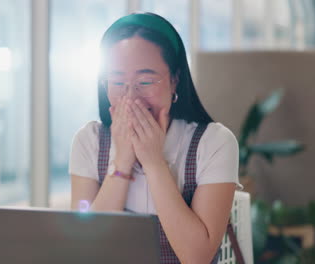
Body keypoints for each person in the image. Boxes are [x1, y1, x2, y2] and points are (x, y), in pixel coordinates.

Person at [69, 12, 242, 263]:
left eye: (145, 80)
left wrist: (153, 162)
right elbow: (84, 250)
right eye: (117, 81)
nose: (131, 97)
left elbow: (197, 257)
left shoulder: (213, 142)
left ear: (175, 80)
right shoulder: (89, 140)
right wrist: (122, 163)